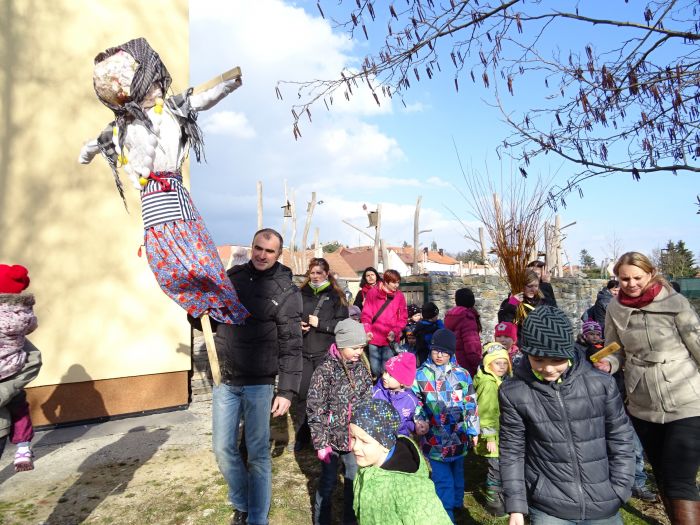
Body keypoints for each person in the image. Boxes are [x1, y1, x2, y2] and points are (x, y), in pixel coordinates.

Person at [195, 228, 303, 525]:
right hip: (226, 379)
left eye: (269, 251)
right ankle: (242, 502)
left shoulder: (287, 292)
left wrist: (287, 391)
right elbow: (208, 321)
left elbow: (292, 345)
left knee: (257, 455)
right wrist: (196, 310)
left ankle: (256, 518)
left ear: (279, 254)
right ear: (252, 247)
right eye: (258, 248)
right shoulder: (232, 279)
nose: (262, 255)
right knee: (222, 449)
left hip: (259, 383)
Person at [499, 305, 635, 525]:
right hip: (549, 506)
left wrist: (621, 486)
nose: (548, 368)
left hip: (604, 500)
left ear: (569, 353)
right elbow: (512, 450)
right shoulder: (514, 392)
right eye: (538, 360)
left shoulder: (601, 384)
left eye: (556, 360)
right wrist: (516, 506)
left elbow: (620, 436)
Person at [598, 252, 700, 523]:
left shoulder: (675, 302)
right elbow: (614, 348)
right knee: (663, 474)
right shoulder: (614, 308)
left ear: (651, 273)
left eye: (637, 278)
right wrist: (609, 363)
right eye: (624, 279)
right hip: (643, 403)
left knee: (680, 478)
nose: (631, 284)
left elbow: (696, 342)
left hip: (686, 398)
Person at [575, 320, 656, 503]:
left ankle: (637, 482)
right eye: (591, 334)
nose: (595, 337)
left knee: (634, 447)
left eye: (597, 334)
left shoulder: (612, 350)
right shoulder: (581, 351)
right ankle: (610, 482)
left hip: (624, 402)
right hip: (598, 405)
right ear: (584, 335)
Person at [306, 318, 372, 525]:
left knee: (353, 480)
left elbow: (366, 401)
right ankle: (321, 520)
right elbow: (315, 407)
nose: (359, 352)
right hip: (331, 439)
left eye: (362, 347)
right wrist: (321, 443)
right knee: (328, 482)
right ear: (342, 344)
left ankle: (350, 520)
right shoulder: (325, 370)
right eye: (355, 347)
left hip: (354, 439)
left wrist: (365, 433)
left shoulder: (361, 369)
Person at [349, 399, 453, 525]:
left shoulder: (412, 490)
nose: (355, 447)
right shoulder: (367, 466)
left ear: (385, 443)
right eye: (353, 437)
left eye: (364, 441)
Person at [413, 328, 480, 521]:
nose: (439, 355)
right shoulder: (421, 375)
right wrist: (419, 420)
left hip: (459, 436)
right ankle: (446, 514)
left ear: (451, 352)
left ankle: (457, 502)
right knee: (442, 479)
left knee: (457, 472)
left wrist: (474, 430)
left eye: (444, 352)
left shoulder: (462, 375)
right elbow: (416, 401)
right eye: (436, 350)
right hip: (434, 438)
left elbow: (470, 403)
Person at [292, 258, 349, 452]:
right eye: (312, 273)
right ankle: (303, 435)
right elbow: (290, 317)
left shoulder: (336, 296)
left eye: (319, 272)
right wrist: (297, 325)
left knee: (325, 396)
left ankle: (325, 435)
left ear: (326, 273)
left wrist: (321, 324)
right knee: (303, 395)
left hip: (325, 353)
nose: (315, 276)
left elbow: (342, 325)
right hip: (304, 352)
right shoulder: (300, 294)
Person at [0, 264, 39, 471]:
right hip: (14, 368)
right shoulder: (24, 314)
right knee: (20, 408)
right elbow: (31, 327)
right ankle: (23, 447)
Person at [474, 342, 512, 517]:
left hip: (500, 433)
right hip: (493, 437)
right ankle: (495, 505)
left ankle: (500, 498)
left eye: (505, 363)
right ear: (488, 364)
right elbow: (486, 413)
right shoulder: (489, 385)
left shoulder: (498, 380)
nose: (502, 367)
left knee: (499, 467)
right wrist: (490, 438)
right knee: (496, 470)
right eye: (497, 363)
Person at [360, 269, 407, 377]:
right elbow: (366, 314)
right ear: (386, 281)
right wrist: (367, 330)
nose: (396, 285)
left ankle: (384, 386)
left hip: (389, 338)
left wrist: (395, 331)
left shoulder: (399, 295)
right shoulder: (372, 293)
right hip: (374, 337)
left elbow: (403, 317)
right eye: (394, 282)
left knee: (386, 369)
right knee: (375, 369)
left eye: (398, 282)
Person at [371, 352, 420, 437]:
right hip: (376, 438)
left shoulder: (411, 400)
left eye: (390, 375)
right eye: (385, 371)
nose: (384, 376)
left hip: (398, 439)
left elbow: (408, 420)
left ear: (402, 382)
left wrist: (414, 427)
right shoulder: (375, 393)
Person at [497, 270, 554, 335]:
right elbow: (504, 324)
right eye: (530, 286)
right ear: (521, 286)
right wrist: (512, 304)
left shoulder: (543, 302)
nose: (533, 290)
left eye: (536, 286)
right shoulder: (509, 302)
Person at [444, 288, 483, 377]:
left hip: (452, 363)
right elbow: (471, 345)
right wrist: (477, 366)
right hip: (466, 366)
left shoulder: (450, 316)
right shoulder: (467, 317)